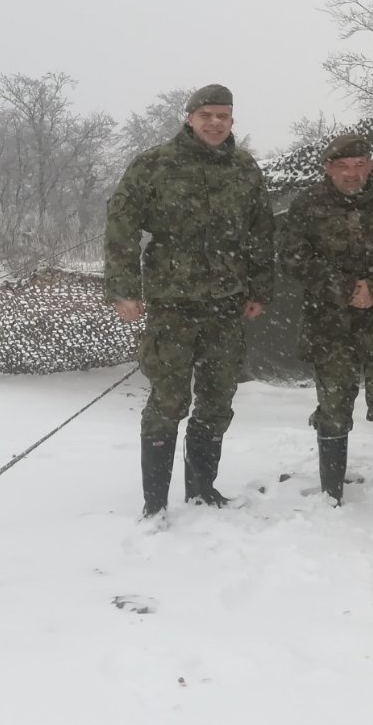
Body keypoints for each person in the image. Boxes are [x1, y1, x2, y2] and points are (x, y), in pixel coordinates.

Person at [104, 84, 274, 517]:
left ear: (232, 120)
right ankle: (155, 503)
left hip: (226, 304)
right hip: (172, 304)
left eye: (223, 116)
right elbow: (122, 225)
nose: (215, 123)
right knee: (168, 401)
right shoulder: (155, 164)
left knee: (217, 400)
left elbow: (261, 232)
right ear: (189, 118)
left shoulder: (244, 168)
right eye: (206, 115)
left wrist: (259, 289)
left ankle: (202, 490)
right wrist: (125, 289)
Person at [280, 134, 373, 506]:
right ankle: (332, 491)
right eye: (343, 166)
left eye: (360, 165)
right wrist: (345, 288)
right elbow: (293, 257)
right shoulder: (307, 205)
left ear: (371, 165)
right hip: (329, 323)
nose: (352, 173)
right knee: (333, 406)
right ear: (328, 168)